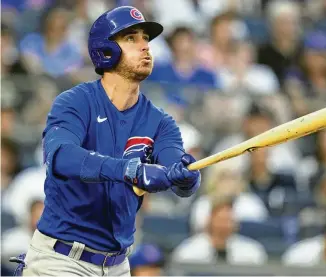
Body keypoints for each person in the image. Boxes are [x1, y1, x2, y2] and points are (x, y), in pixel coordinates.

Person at [16, 5, 201, 276]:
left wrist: (186, 176)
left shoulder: (161, 121)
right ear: (105, 50)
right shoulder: (75, 102)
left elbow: (177, 167)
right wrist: (130, 170)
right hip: (62, 259)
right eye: (131, 38)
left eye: (146, 39)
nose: (145, 47)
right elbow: (61, 157)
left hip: (117, 265)